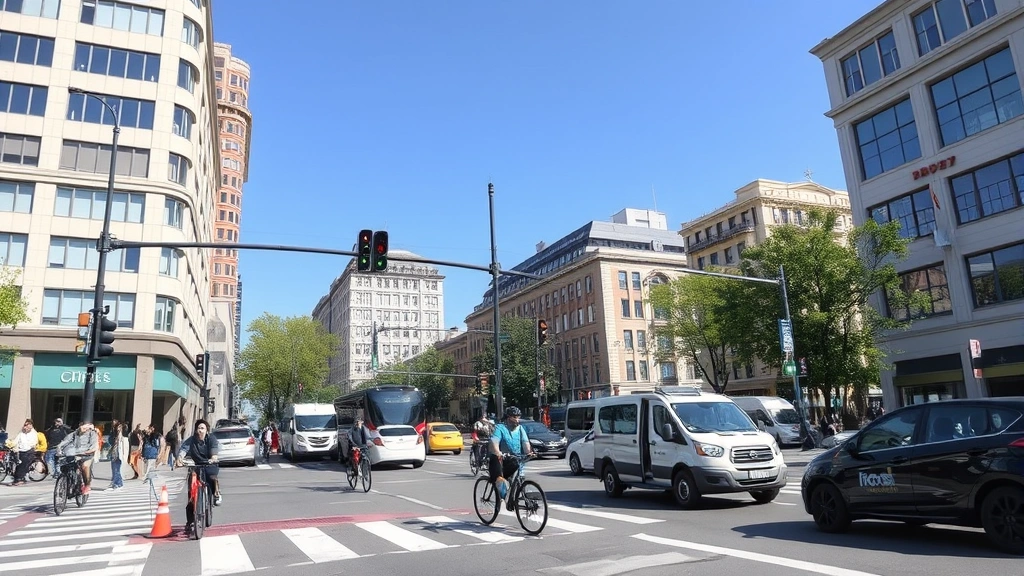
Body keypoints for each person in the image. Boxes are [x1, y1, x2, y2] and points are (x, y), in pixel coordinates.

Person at [176, 419, 221, 533]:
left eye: (202, 428)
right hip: (196, 465)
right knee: (191, 493)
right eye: (198, 428)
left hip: (210, 464)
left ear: (207, 430)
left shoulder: (211, 439)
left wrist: (213, 458)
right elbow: (183, 449)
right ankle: (190, 521)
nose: (200, 430)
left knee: (211, 477)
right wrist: (180, 459)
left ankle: (216, 493)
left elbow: (214, 452)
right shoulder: (191, 440)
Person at [488, 406, 534, 503]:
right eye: (515, 417)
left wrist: (529, 453)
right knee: (501, 480)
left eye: (518, 417)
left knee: (520, 479)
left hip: (517, 459)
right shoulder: (500, 428)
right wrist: (498, 453)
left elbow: (525, 443)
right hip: (503, 459)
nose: (517, 419)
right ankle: (502, 496)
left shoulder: (520, 429)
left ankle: (519, 501)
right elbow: (494, 442)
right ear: (508, 418)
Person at [56, 422, 99, 494]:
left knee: (85, 466)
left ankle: (87, 485)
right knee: (67, 465)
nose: (84, 429)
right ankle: (68, 482)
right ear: (79, 426)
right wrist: (59, 447)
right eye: (82, 426)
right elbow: (66, 440)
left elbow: (94, 444)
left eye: (86, 427)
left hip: (87, 454)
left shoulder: (92, 434)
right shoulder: (75, 433)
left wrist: (89, 451)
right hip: (75, 453)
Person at [9, 419, 40, 486]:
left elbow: (34, 442)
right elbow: (16, 440)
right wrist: (12, 445)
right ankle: (16, 479)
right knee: (19, 465)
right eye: (25, 425)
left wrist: (28, 446)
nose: (25, 426)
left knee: (23, 465)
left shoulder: (33, 433)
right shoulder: (21, 433)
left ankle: (20, 479)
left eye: (27, 425)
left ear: (31, 425)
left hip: (29, 451)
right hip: (21, 451)